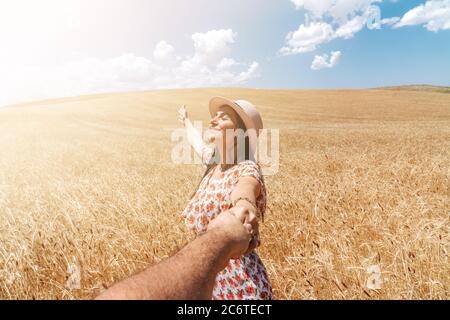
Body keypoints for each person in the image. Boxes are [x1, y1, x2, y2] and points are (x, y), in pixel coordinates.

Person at [178, 97, 272, 300]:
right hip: (210, 280)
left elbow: (246, 189)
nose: (212, 120)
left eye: (223, 117)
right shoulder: (214, 162)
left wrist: (244, 205)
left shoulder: (247, 169)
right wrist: (185, 119)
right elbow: (195, 141)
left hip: (240, 287)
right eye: (214, 116)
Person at [96, 207, 257, 300]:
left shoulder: (245, 167)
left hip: (237, 280)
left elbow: (245, 199)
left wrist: (237, 219)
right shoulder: (211, 168)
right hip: (204, 279)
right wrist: (222, 239)